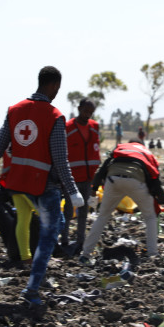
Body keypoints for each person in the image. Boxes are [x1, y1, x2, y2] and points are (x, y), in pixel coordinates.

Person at [0, 66, 84, 307]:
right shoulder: (54, 116)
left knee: (52, 224)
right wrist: (73, 190)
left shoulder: (14, 111)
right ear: (54, 86)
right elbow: (60, 159)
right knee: (48, 236)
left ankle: (37, 273)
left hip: (18, 183)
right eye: (58, 88)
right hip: (45, 186)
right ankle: (32, 290)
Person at [80, 140, 164, 262]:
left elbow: (101, 171)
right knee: (150, 217)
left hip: (113, 179)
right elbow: (155, 180)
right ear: (142, 145)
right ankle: (152, 254)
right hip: (136, 180)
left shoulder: (120, 149)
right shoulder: (145, 153)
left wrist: (93, 193)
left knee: (102, 216)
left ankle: (85, 255)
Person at [62, 98, 101, 252]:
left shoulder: (94, 127)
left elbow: (95, 151)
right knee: (68, 210)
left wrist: (96, 175)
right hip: (71, 178)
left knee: (84, 211)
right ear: (79, 108)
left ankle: (80, 241)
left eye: (91, 113)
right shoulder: (68, 128)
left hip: (88, 177)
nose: (88, 115)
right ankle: (64, 240)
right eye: (85, 111)